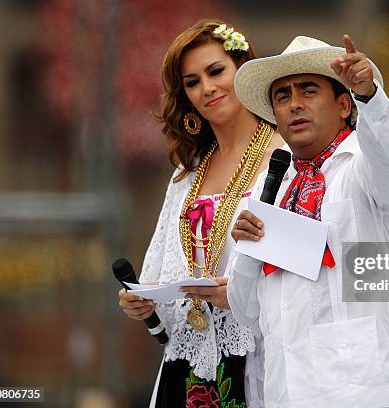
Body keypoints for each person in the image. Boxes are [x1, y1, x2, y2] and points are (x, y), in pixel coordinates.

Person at [222, 34, 389, 407]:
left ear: (344, 105)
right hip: (284, 390)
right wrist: (246, 248)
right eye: (282, 96)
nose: (294, 105)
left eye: (308, 91)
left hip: (361, 390)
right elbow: (244, 308)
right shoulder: (270, 184)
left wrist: (370, 98)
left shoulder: (363, 168)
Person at [117, 19, 284, 408]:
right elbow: (160, 271)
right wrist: (143, 300)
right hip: (188, 358)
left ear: (243, 70)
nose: (207, 88)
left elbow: (303, 267)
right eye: (192, 82)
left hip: (256, 354)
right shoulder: (186, 174)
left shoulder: (285, 156)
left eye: (215, 71)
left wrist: (245, 293)